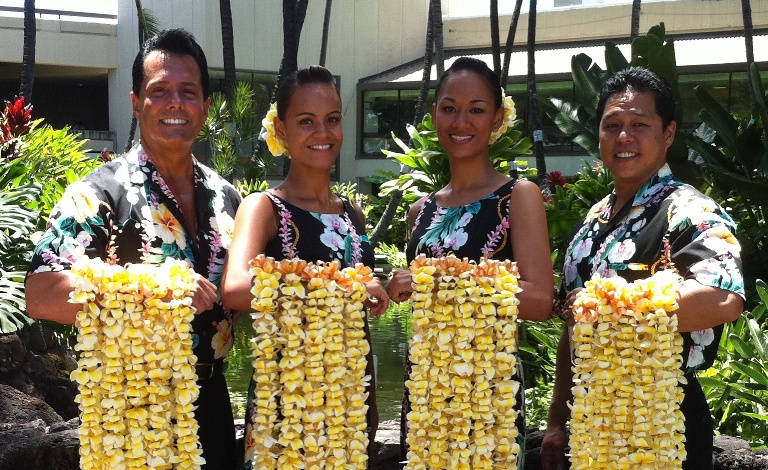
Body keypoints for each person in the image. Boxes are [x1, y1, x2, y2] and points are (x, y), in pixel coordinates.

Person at [25, 28, 241, 469]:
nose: (175, 103)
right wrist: (151, 282)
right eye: (159, 91)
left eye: (188, 91)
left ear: (206, 104)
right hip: (131, 407)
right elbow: (41, 294)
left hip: (212, 404)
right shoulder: (99, 194)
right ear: (135, 101)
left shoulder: (228, 199)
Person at [539, 67, 744, 470]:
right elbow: (573, 328)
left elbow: (722, 299)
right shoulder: (591, 221)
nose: (623, 137)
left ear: (668, 133)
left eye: (639, 124)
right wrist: (557, 420)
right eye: (611, 125)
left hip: (663, 418)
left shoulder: (691, 211)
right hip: (593, 418)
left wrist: (610, 304)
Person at [385, 56, 555, 467]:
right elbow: (414, 298)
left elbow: (539, 301)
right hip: (426, 389)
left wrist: (446, 280)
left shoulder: (518, 196)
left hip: (488, 394)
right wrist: (398, 286)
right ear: (434, 115)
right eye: (450, 108)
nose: (461, 121)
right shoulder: (420, 210)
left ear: (497, 119)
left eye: (476, 110)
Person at [219, 65, 390, 467]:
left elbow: (356, 307)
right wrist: (342, 286)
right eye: (306, 121)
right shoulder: (264, 207)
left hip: (347, 403)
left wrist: (369, 400)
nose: (323, 133)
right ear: (280, 130)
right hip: (286, 407)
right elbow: (236, 288)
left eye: (332, 120)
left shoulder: (353, 215)